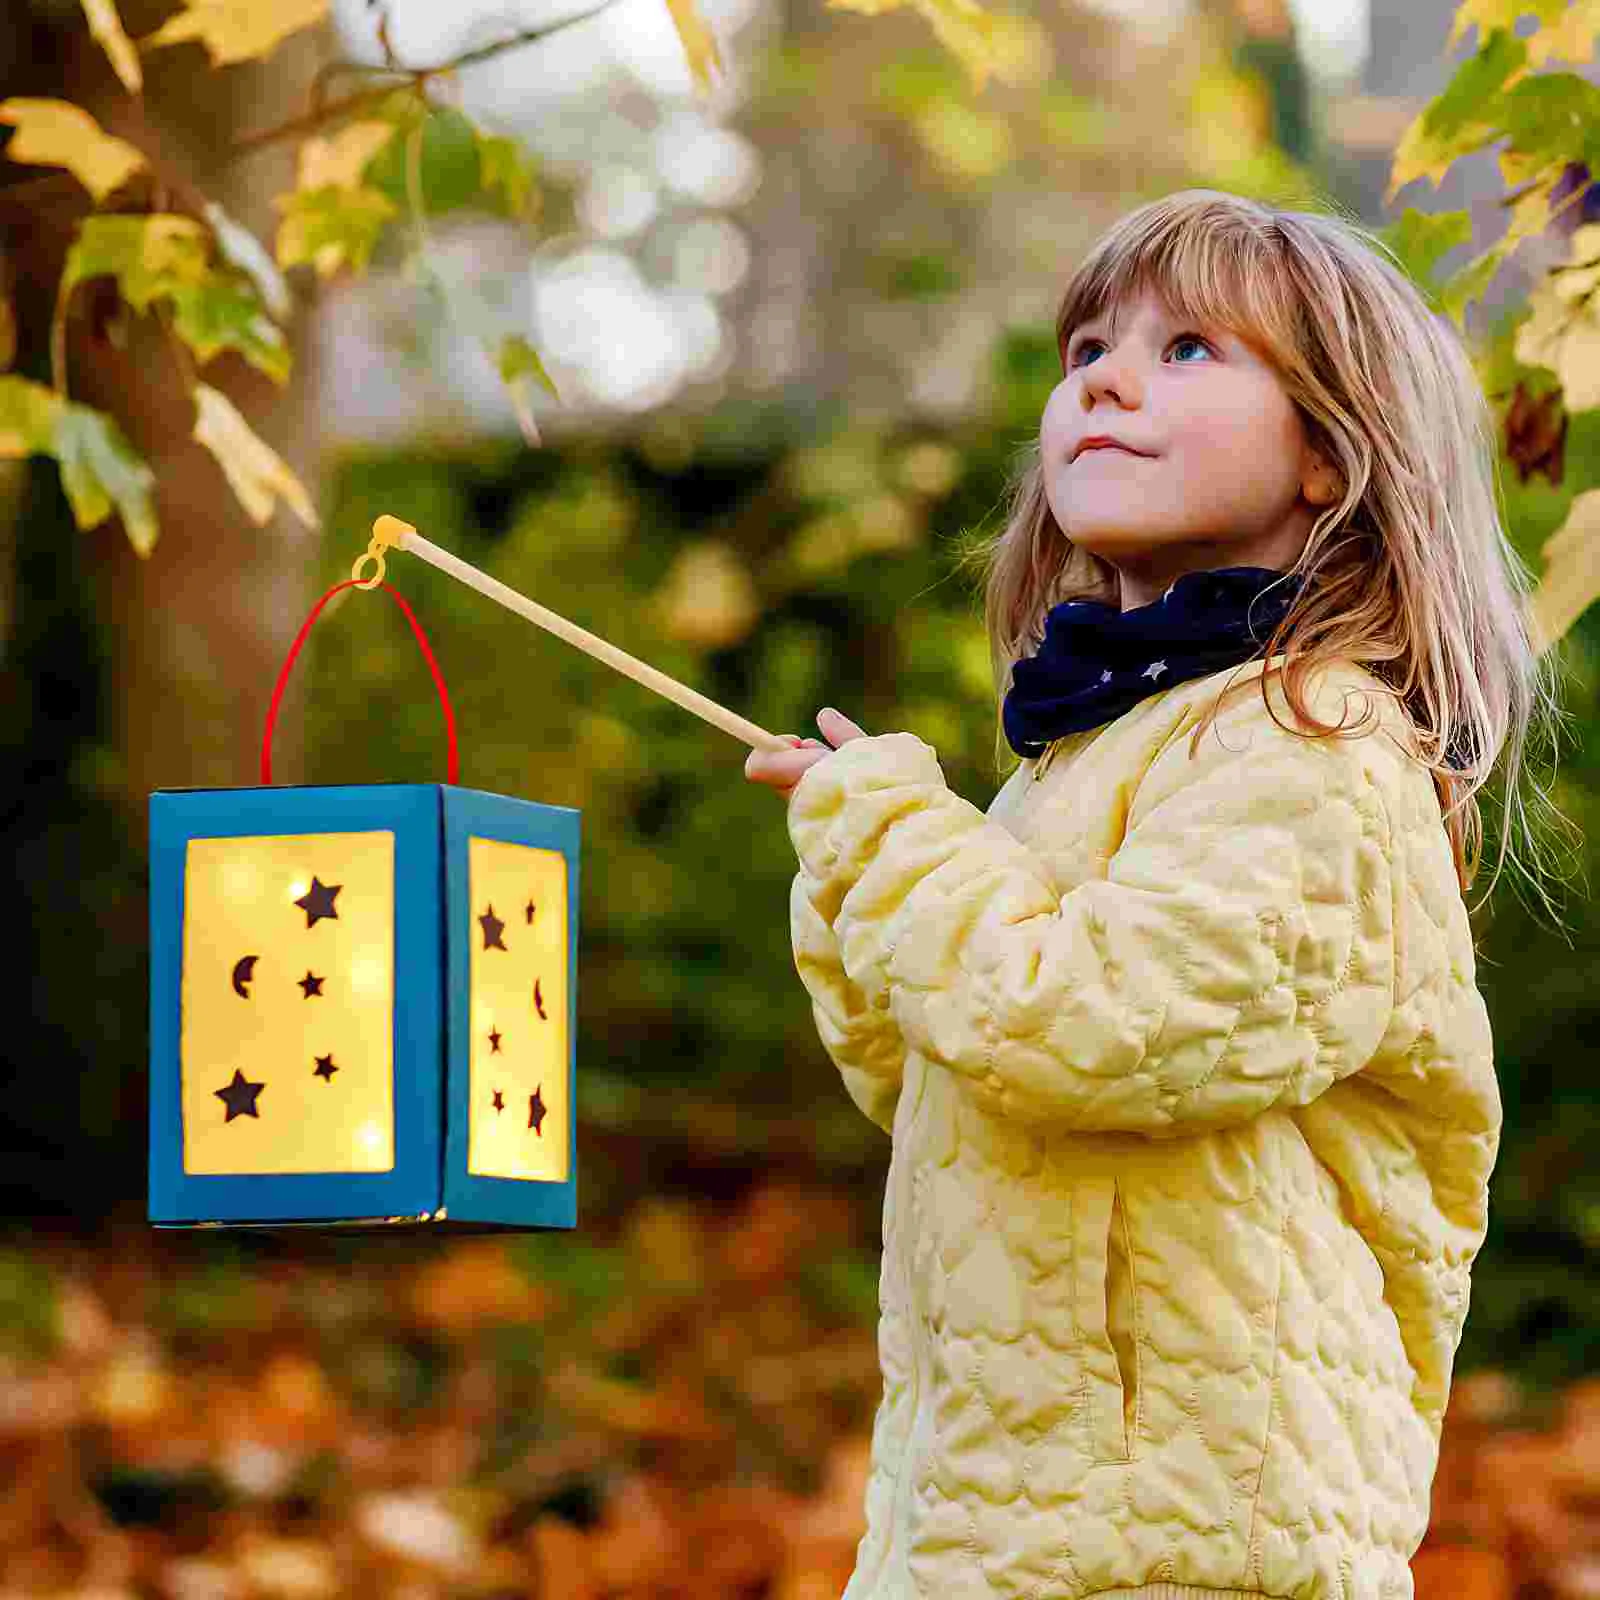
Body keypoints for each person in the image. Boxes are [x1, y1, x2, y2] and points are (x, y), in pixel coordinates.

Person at [743, 189, 1578, 1599]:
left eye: (1190, 349)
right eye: (1087, 350)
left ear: (1331, 455)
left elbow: (1092, 1027)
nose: (1108, 379)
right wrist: (854, 869)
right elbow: (935, 1072)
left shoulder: (1317, 744)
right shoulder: (1088, 751)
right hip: (997, 1515)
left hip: (1194, 1532)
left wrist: (903, 850)